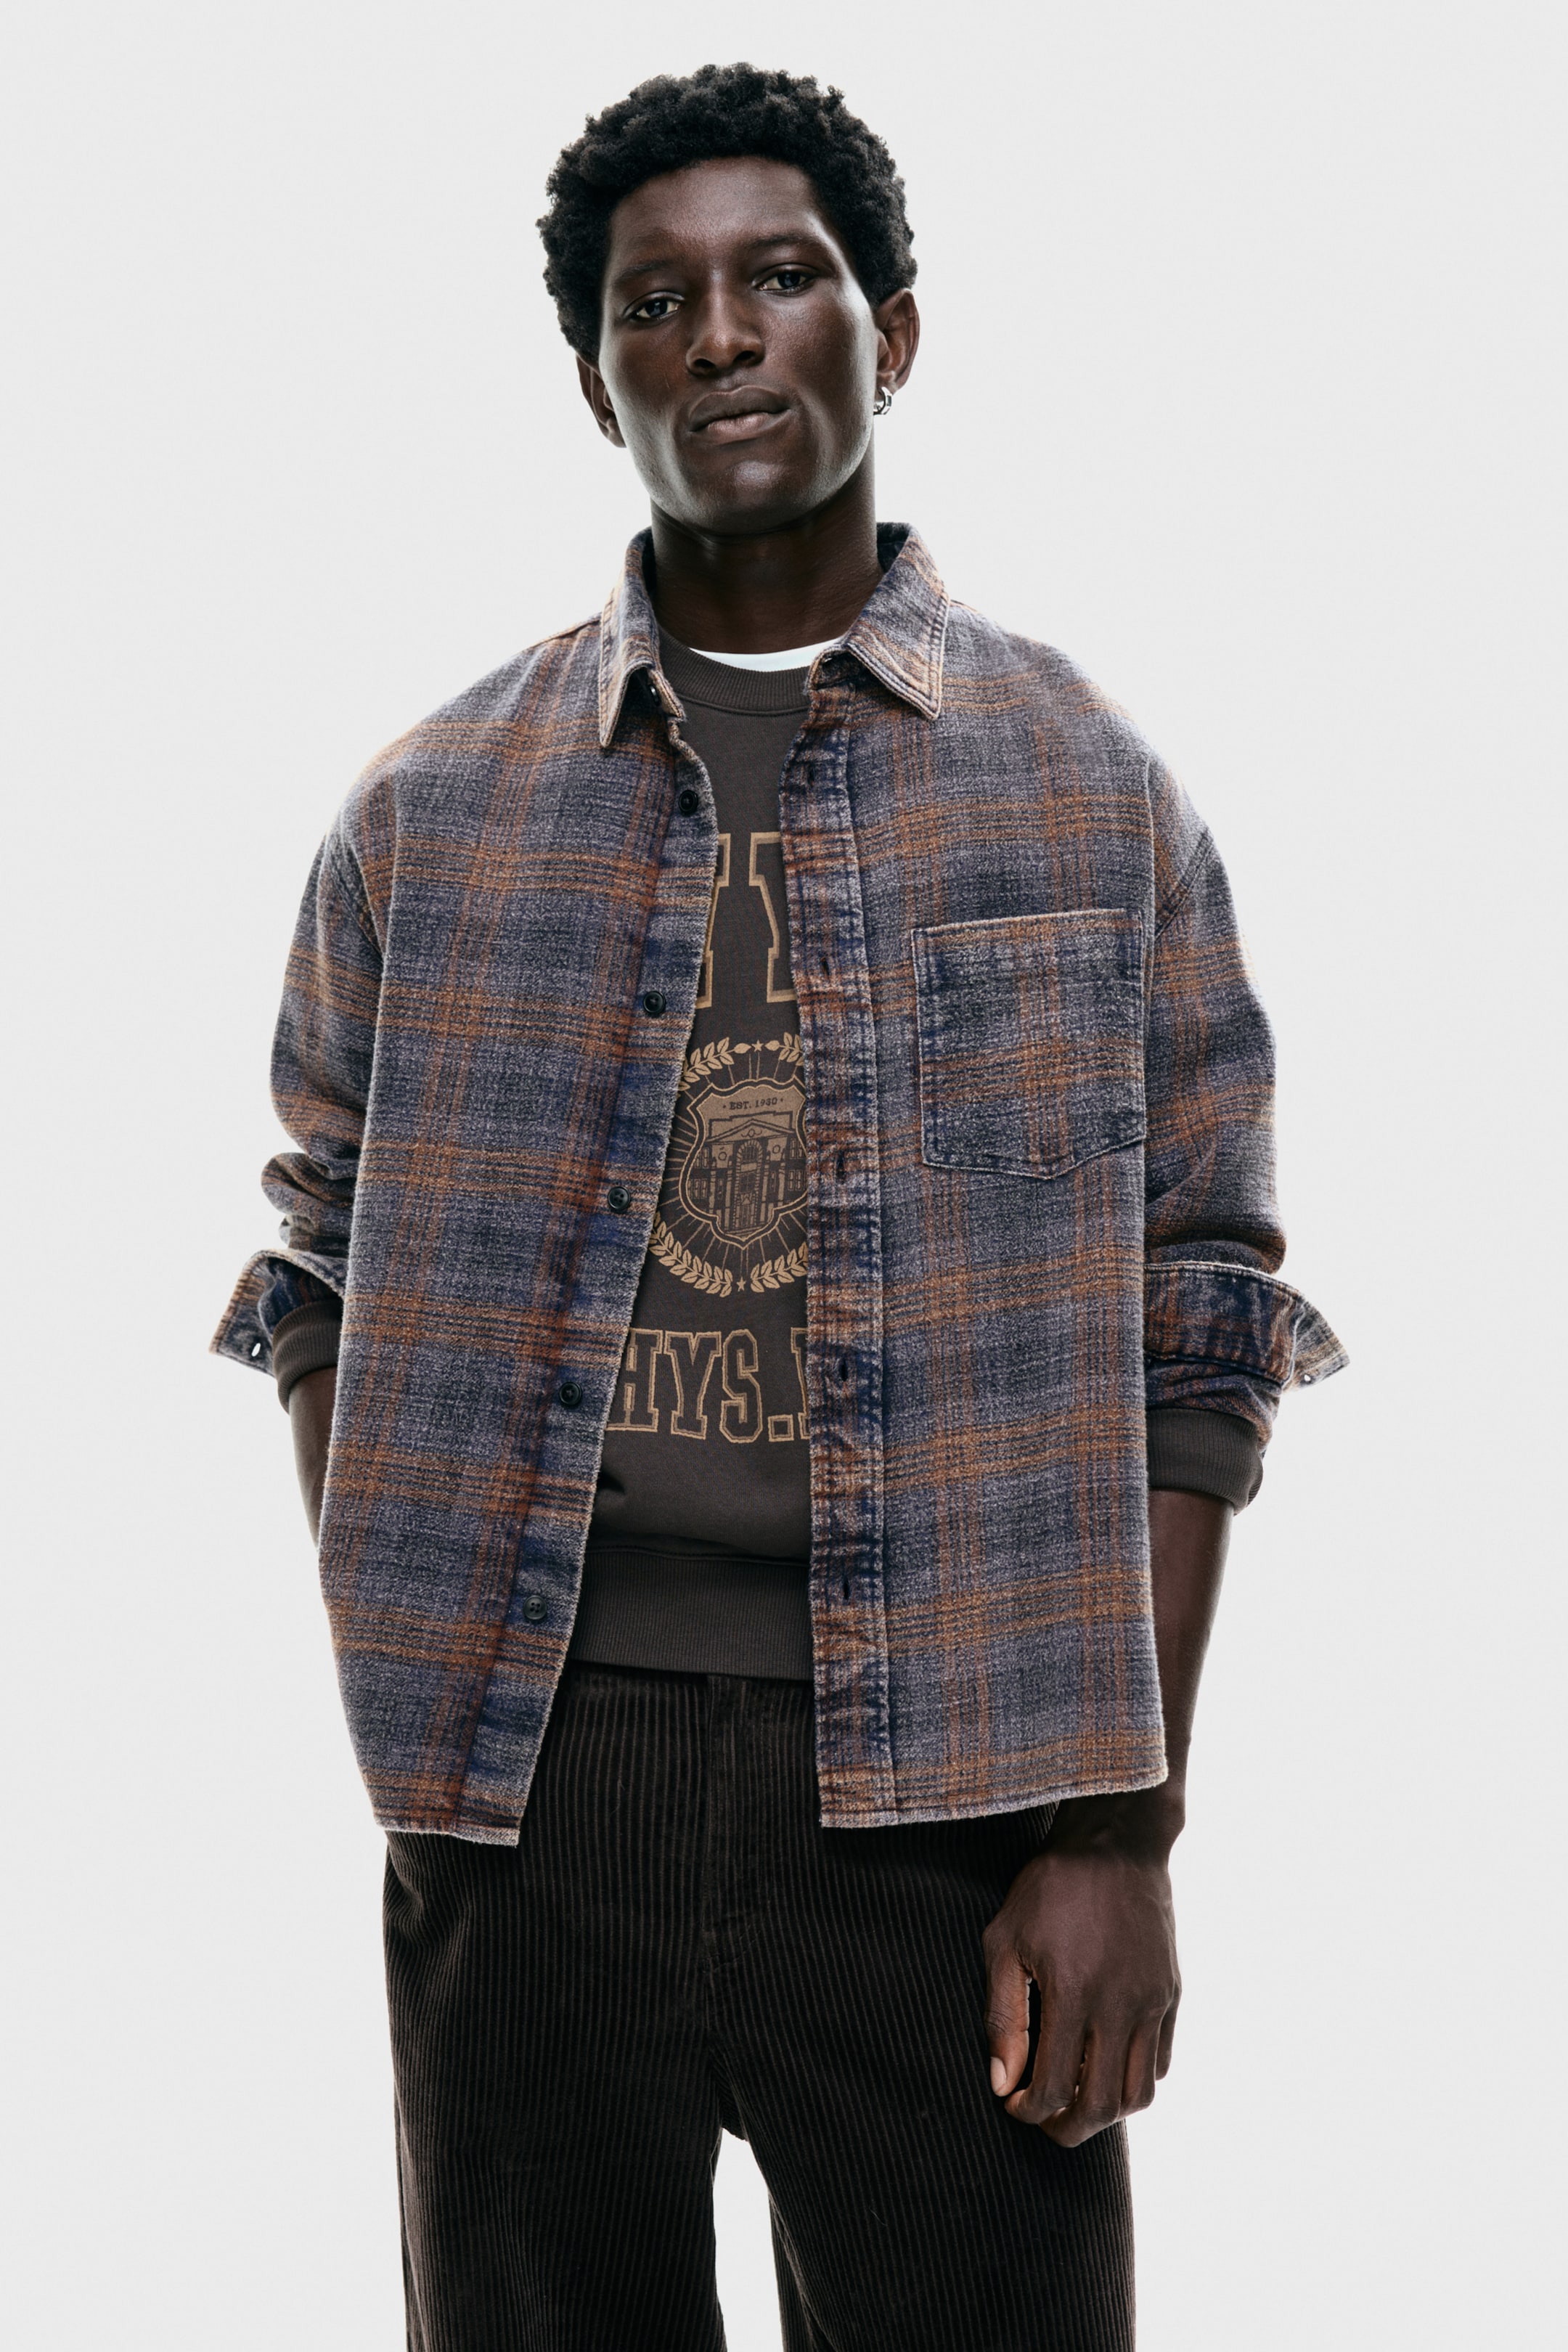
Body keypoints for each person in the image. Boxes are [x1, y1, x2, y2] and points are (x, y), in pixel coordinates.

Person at [213, 62, 1344, 2352]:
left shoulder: (1088, 792)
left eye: (780, 278)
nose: (720, 334)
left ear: (888, 334)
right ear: (599, 380)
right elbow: (319, 1248)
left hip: (962, 1801)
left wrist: (1116, 1832)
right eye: (655, 302)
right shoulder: (430, 814)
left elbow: (1201, 1310)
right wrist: (416, 1700)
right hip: (535, 1794)